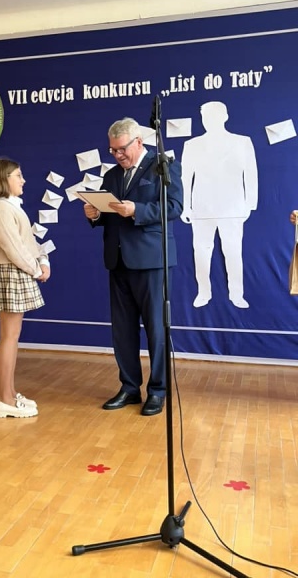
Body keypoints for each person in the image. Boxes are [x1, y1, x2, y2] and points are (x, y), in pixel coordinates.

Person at [84, 117, 183, 416]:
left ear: (139, 142)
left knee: (156, 330)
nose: (117, 155)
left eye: (121, 149)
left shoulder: (162, 167)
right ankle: (129, 388)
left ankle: (158, 391)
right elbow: (108, 214)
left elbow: (175, 207)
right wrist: (94, 215)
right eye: (112, 150)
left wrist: (137, 210)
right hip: (118, 261)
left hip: (152, 262)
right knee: (123, 331)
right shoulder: (112, 175)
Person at [0, 157, 51, 418]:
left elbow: (27, 243)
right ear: (4, 179)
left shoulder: (10, 207)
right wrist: (36, 270)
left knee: (12, 336)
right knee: (9, 337)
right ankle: (4, 399)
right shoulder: (1, 209)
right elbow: (14, 249)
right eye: (18, 175)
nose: (23, 180)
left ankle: (9, 394)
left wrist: (42, 261)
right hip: (10, 273)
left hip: (15, 272)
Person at [181, 101, 258, 308]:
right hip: (202, 208)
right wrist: (185, 206)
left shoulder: (242, 142)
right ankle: (203, 292)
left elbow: (251, 174)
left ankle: (236, 294)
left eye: (213, 116)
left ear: (225, 117)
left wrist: (249, 204)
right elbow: (185, 178)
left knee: (233, 252)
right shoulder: (192, 145)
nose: (209, 121)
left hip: (232, 208)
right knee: (201, 252)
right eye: (206, 117)